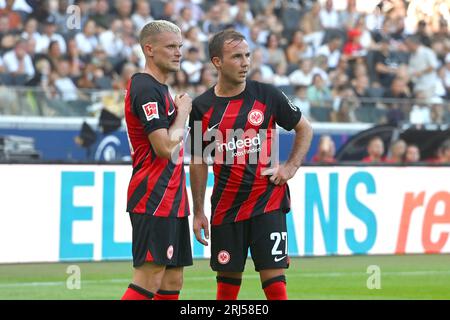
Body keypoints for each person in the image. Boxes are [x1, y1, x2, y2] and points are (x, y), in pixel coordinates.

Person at [189, 30, 313, 300]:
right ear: (217, 62)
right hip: (226, 206)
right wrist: (198, 211)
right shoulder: (202, 107)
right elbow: (198, 161)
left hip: (267, 201)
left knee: (276, 283)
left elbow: (305, 129)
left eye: (247, 55)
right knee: (227, 286)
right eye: (236, 56)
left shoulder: (267, 95)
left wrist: (290, 167)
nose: (245, 62)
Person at [121, 20, 193, 300]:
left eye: (180, 47)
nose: (178, 53)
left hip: (172, 197)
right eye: (171, 47)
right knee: (149, 278)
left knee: (172, 280)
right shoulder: (145, 87)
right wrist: (183, 112)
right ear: (149, 49)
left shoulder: (160, 90)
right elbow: (164, 146)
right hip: (152, 195)